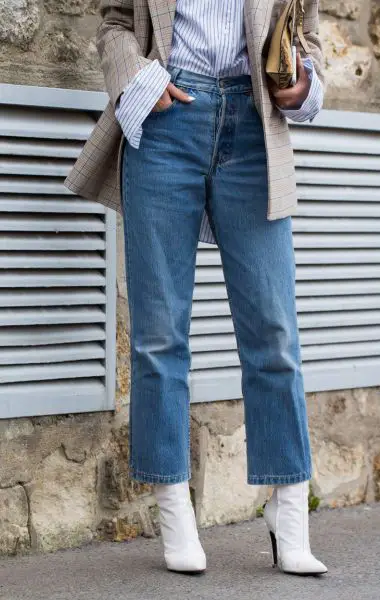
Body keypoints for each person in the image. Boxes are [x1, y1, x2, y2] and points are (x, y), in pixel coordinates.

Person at [65, 0, 327, 577]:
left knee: (275, 333)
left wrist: (303, 81)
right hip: (165, 120)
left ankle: (289, 516)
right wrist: (137, 78)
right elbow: (114, 23)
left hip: (254, 122)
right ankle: (174, 508)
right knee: (159, 335)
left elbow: (305, 29)